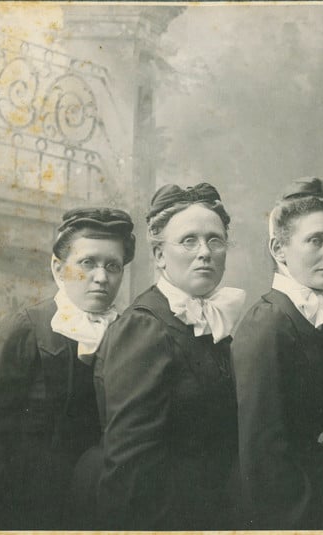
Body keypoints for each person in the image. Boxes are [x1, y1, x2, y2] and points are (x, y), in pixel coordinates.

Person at [0, 207, 135, 530]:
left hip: (94, 507)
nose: (101, 277)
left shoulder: (128, 333)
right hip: (27, 509)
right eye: (87, 263)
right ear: (59, 270)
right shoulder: (28, 330)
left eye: (112, 266)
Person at [93, 183, 246, 530]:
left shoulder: (211, 325)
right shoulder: (145, 327)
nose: (204, 252)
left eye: (215, 240)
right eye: (189, 240)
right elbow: (128, 467)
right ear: (160, 256)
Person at [232, 177, 323, 529]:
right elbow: (261, 455)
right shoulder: (267, 323)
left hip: (314, 493)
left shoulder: (311, 318)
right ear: (279, 249)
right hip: (284, 510)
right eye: (316, 240)